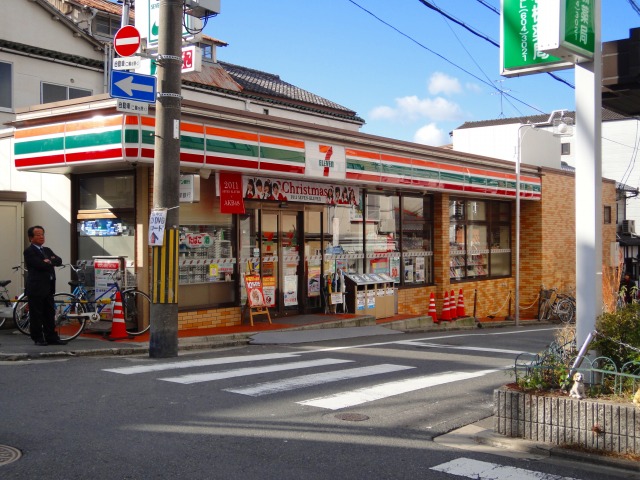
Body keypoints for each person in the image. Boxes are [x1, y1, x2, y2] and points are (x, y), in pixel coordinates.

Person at [23, 226, 66, 345]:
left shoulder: (47, 250)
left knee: (49, 313)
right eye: (37, 235)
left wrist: (49, 261)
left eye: (42, 234)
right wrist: (48, 262)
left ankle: (51, 336)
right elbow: (39, 265)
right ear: (31, 238)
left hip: (49, 287)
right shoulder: (29, 251)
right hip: (36, 287)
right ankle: (38, 338)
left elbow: (59, 260)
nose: (41, 237)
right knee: (36, 314)